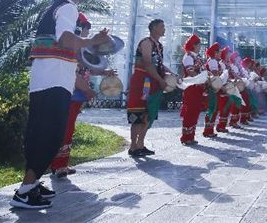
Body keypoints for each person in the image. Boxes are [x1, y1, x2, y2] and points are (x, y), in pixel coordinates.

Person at [11, 0, 111, 210]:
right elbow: (66, 39)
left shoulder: (54, 8)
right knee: (50, 135)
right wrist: (93, 41)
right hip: (54, 82)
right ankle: (25, 191)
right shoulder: (67, 8)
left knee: (40, 132)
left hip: (46, 80)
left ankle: (31, 185)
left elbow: (64, 46)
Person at [49, 13, 117, 177]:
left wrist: (104, 72)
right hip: (70, 94)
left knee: (68, 128)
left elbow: (86, 69)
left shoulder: (78, 48)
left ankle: (61, 163)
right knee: (65, 129)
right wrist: (87, 89)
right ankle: (58, 165)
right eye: (86, 30)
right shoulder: (71, 47)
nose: (87, 34)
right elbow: (72, 73)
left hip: (74, 95)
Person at [126, 19, 175, 156]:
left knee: (148, 114)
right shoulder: (146, 43)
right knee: (138, 113)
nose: (164, 29)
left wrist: (172, 74)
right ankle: (133, 146)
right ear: (153, 28)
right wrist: (160, 80)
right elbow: (147, 64)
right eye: (162, 26)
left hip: (152, 82)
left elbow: (159, 65)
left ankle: (140, 144)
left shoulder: (159, 46)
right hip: (143, 82)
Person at [180, 34, 206, 145]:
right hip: (191, 87)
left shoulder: (197, 57)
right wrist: (201, 79)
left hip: (198, 87)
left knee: (195, 111)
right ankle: (186, 137)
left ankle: (191, 136)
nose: (200, 47)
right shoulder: (188, 57)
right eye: (199, 44)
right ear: (194, 45)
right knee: (190, 111)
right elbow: (190, 72)